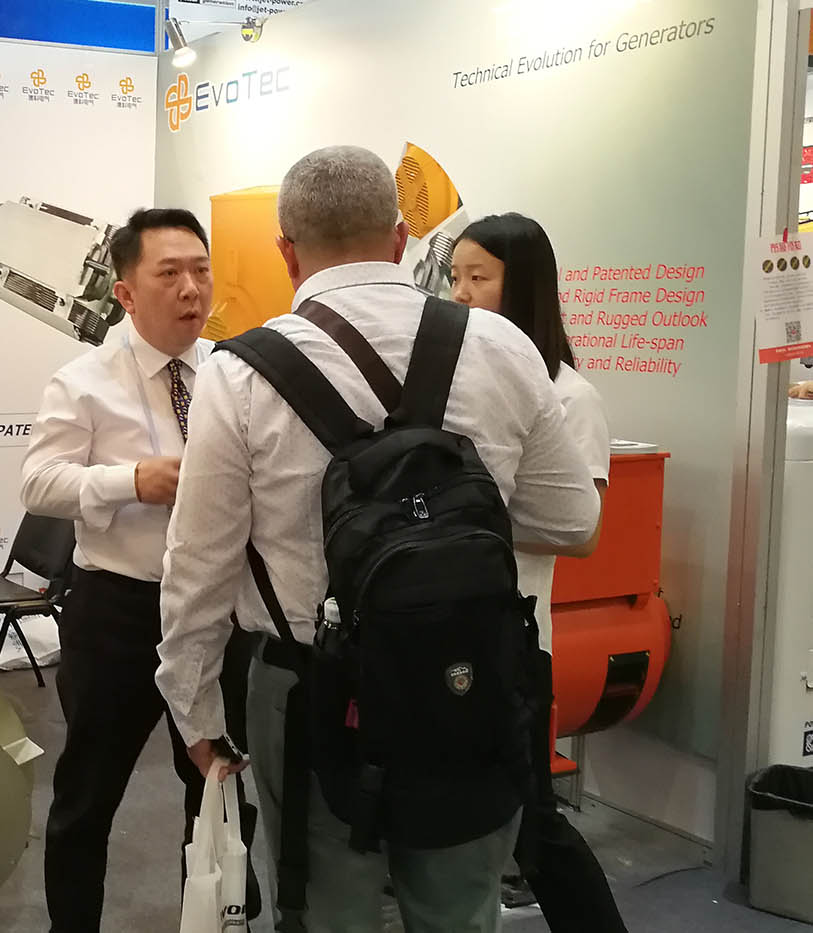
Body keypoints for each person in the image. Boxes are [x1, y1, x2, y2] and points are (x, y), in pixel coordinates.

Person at [156, 147, 601, 933]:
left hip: (308, 689)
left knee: (326, 911)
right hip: (467, 673)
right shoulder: (501, 347)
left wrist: (194, 711)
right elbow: (573, 520)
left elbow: (200, 562)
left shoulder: (240, 373)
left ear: (286, 251)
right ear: (399, 239)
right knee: (458, 910)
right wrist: (457, 510)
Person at [21, 208, 259, 932]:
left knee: (217, 789)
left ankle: (213, 921)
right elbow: (38, 483)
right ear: (124, 292)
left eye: (201, 270)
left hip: (216, 610)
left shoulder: (233, 372)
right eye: (170, 273)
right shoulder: (83, 380)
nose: (192, 289)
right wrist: (130, 480)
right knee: (87, 797)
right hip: (118, 612)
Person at [451, 213, 624, 933]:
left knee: (532, 821)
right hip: (440, 632)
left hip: (516, 639)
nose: (459, 294)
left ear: (521, 286)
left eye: (478, 277)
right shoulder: (456, 381)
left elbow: (580, 531)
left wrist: (456, 517)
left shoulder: (570, 396)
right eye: (454, 277)